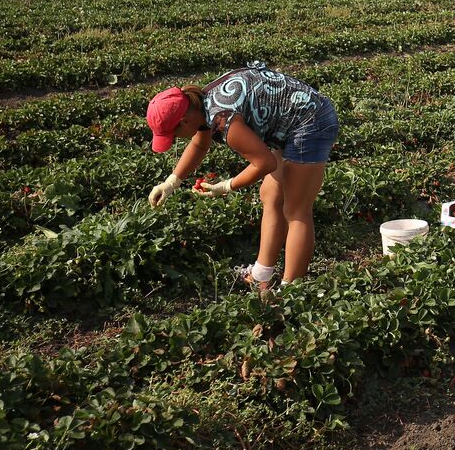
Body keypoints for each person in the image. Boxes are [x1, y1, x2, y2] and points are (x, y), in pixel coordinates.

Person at [145, 61, 340, 292]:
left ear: (184, 121)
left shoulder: (222, 118)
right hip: (289, 120)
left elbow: (264, 162)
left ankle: (291, 292)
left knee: (296, 210)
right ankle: (261, 274)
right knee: (270, 194)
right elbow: (199, 144)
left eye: (174, 134)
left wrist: (227, 186)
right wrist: (171, 182)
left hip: (310, 121)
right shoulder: (201, 103)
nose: (176, 139)